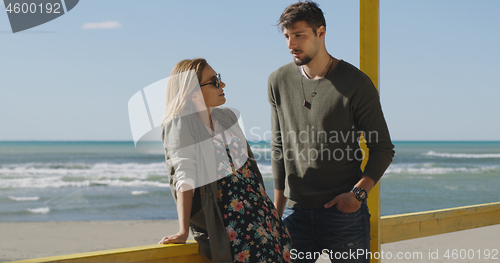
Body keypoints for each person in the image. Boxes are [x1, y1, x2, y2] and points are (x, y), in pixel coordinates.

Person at [268, 2, 395, 262]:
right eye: (287, 36)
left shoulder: (356, 83)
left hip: (343, 214)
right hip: (295, 214)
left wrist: (357, 195)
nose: (291, 44)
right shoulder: (278, 81)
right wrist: (276, 213)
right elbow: (279, 149)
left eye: (299, 35)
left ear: (321, 32)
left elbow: (382, 148)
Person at [159, 58, 293, 263]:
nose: (222, 85)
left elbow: (250, 170)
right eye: (214, 81)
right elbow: (184, 176)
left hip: (265, 218)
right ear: (193, 92)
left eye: (219, 78)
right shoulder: (180, 124)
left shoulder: (227, 117)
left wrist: (273, 213)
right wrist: (183, 230)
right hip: (234, 227)